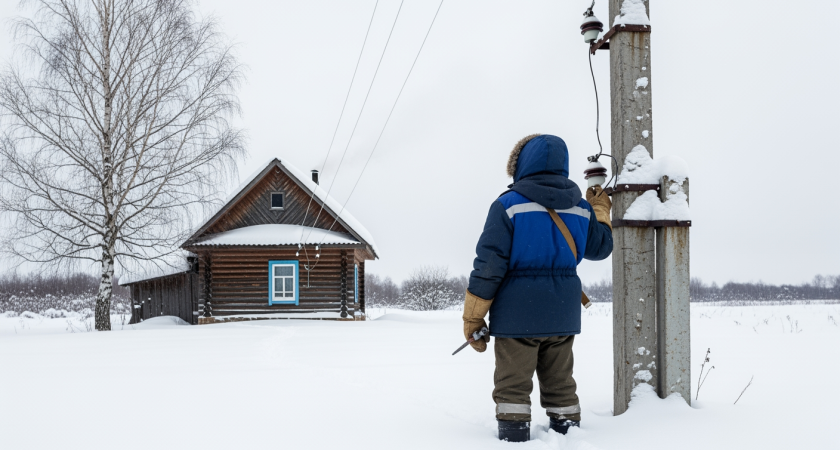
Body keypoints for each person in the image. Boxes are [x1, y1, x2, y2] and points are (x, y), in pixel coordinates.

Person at [462, 134, 613, 442]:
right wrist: (600, 208)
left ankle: (514, 439)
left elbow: (488, 267)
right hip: (562, 313)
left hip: (516, 316)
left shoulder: (507, 206)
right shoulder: (581, 208)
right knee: (561, 382)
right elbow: (600, 247)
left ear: (521, 165)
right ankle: (569, 436)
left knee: (513, 385)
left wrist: (473, 318)